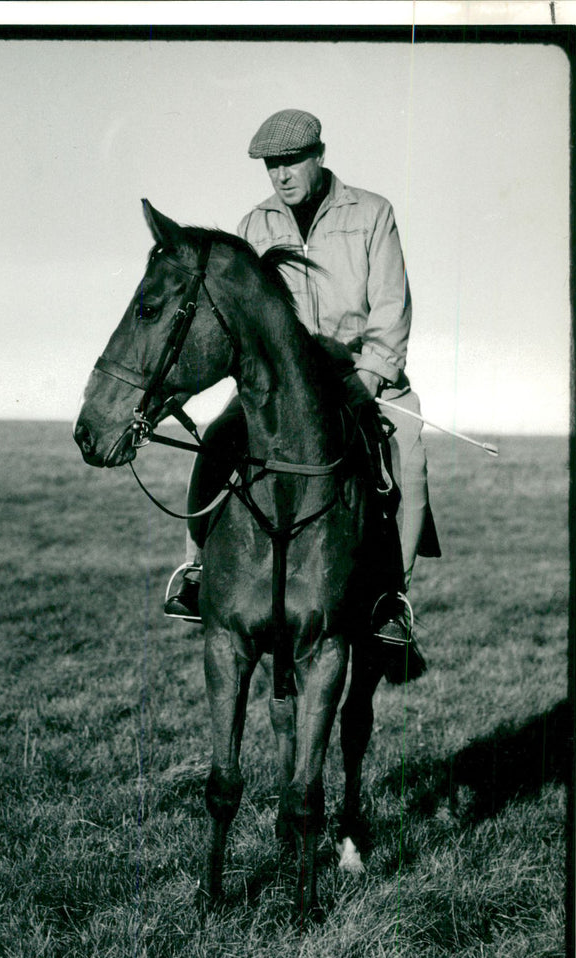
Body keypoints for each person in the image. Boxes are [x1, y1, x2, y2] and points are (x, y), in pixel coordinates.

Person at [164, 109, 440, 651]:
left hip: (357, 375)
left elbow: (391, 310)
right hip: (279, 386)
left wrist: (369, 378)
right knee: (217, 440)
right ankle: (197, 572)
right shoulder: (254, 226)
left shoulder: (372, 213)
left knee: (408, 452)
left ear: (319, 155)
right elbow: (238, 316)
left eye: (291, 161)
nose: (282, 175)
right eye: (272, 166)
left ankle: (391, 598)